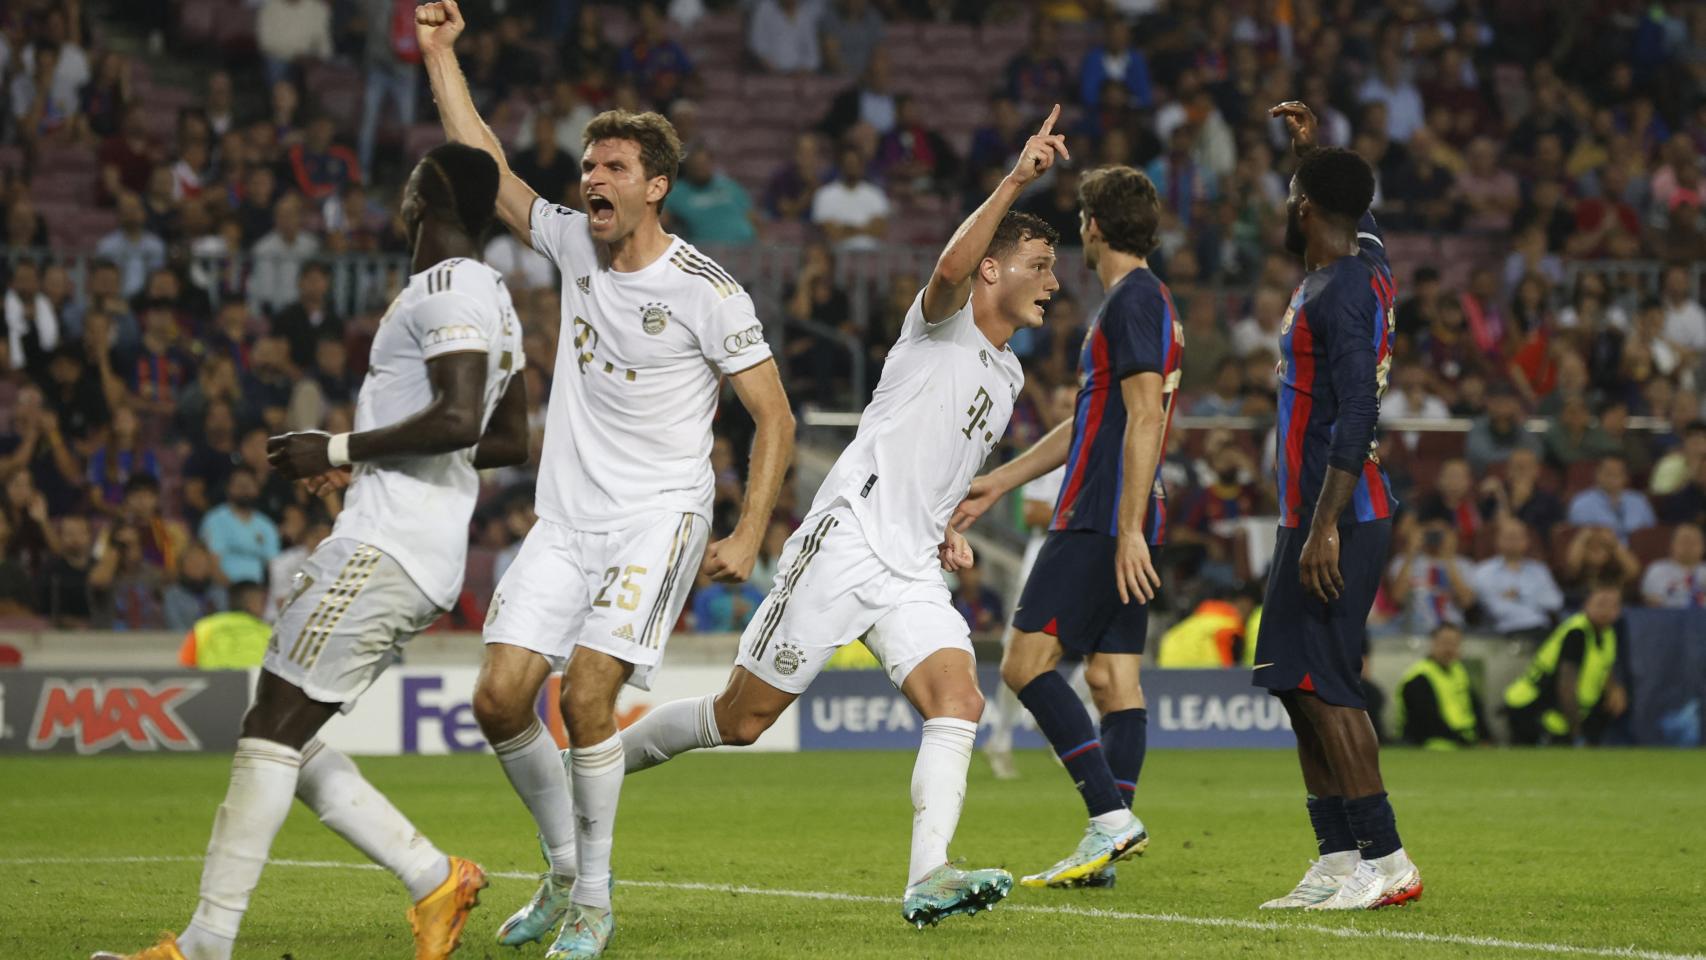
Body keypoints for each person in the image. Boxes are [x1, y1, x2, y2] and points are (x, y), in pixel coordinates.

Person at [617, 108, 1065, 928]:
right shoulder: (942, 324)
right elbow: (951, 262)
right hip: (844, 542)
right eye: (1039, 264)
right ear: (995, 273)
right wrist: (1017, 179)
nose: (1053, 282)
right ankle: (598, 764)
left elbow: (932, 463)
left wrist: (944, 524)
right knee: (740, 720)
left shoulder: (1005, 378)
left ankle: (929, 876)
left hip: (909, 567)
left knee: (956, 701)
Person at [418, 5, 795, 957]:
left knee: (587, 698)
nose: (592, 180)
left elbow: (775, 417)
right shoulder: (574, 245)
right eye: (589, 167)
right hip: (567, 518)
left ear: (655, 187)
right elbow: (485, 163)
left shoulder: (707, 292)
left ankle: (595, 899)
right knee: (500, 699)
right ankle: (560, 872)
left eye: (614, 168)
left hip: (658, 519)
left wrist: (749, 532)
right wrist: (439, 51)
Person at [93, 141, 530, 960]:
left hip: (387, 544)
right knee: (279, 726)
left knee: (270, 734)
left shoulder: (448, 284)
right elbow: (507, 437)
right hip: (410, 540)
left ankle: (205, 945)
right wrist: (366, 456)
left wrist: (335, 450)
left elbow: (464, 419)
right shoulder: (496, 298)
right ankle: (434, 878)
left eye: (412, 178)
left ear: (428, 195)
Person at [955, 163, 1179, 890]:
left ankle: (1110, 818)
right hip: (1123, 512)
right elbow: (1094, 419)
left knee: (1024, 667)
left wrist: (1126, 526)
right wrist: (998, 478)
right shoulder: (1146, 301)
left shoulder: (1130, 303)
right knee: (1115, 683)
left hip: (1100, 516)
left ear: (1092, 226)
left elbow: (1146, 416)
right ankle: (1104, 849)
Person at [1247, 102, 1419, 911]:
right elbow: (1361, 210)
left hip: (1337, 515)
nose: (1287, 203)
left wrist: (1322, 525)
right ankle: (1338, 855)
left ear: (1304, 207)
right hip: (1306, 513)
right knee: (1294, 679)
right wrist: (1314, 152)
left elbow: (1359, 410)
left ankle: (1387, 861)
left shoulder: (1341, 292)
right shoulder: (1366, 262)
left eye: (1293, 191)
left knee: (1329, 682)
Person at [982, 381, 1075, 781]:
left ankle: (1053, 717)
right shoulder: (1047, 452)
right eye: (1063, 402)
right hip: (1046, 554)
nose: (1069, 408)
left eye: (1074, 401)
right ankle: (1001, 737)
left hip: (1084, 557)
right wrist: (1081, 512)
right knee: (1016, 646)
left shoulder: (1097, 448)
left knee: (1095, 647)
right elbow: (1034, 514)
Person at [1504, 583, 1629, 746]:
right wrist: (1577, 732)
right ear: (1586, 605)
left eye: (1614, 605)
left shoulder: (1607, 633)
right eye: (1601, 604)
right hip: (1535, 707)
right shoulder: (1576, 633)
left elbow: (1605, 665)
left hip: (1565, 712)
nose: (1607, 611)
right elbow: (1565, 685)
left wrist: (1614, 689)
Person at [1394, 624, 1488, 749]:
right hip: (1431, 744)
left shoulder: (1458, 671)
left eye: (1454, 644)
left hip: (1464, 741)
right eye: (1444, 643)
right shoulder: (1418, 678)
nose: (1449, 649)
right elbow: (1427, 722)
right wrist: (1464, 742)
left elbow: (1475, 708)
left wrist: (1486, 737)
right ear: (1432, 643)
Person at [1471, 518, 1564, 640]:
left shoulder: (1539, 570)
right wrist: (1534, 599)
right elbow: (1494, 608)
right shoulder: (1483, 572)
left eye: (1519, 537)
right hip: (1503, 632)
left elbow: (1555, 602)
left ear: (1526, 541)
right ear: (1497, 540)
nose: (1514, 541)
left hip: (1540, 629)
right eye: (1509, 537)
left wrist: (1518, 594)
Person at [176, 580, 272, 669]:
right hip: (254, 685)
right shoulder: (269, 632)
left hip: (213, 685)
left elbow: (186, 665)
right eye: (262, 602)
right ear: (251, 602)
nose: (265, 607)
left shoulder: (203, 627)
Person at [1565, 455, 1657, 544]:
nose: (1613, 477)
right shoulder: (1581, 504)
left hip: (1639, 555)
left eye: (1619, 473)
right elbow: (1580, 541)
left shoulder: (1639, 500)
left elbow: (1650, 534)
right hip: (1601, 556)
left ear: (1626, 477)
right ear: (1597, 474)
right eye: (1608, 473)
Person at [1640, 522, 1706, 608]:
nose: (1689, 546)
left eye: (1694, 542)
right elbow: (1653, 602)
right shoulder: (1657, 570)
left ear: (1703, 546)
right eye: (1684, 541)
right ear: (1672, 544)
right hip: (1666, 619)